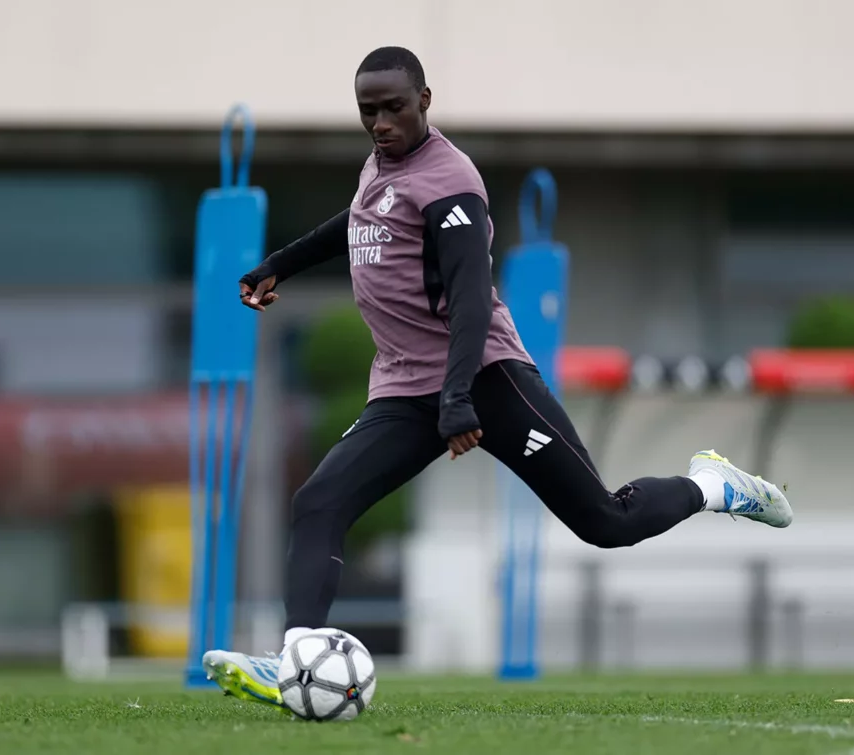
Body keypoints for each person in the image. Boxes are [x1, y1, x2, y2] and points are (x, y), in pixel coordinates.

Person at [202, 46, 792, 707]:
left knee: (604, 520)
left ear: (425, 100)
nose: (382, 123)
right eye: (369, 112)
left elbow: (472, 296)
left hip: (485, 376)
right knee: (318, 502)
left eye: (395, 108)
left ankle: (713, 484)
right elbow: (361, 222)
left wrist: (457, 397)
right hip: (405, 387)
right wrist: (277, 264)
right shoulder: (381, 167)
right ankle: (295, 660)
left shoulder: (451, 180)